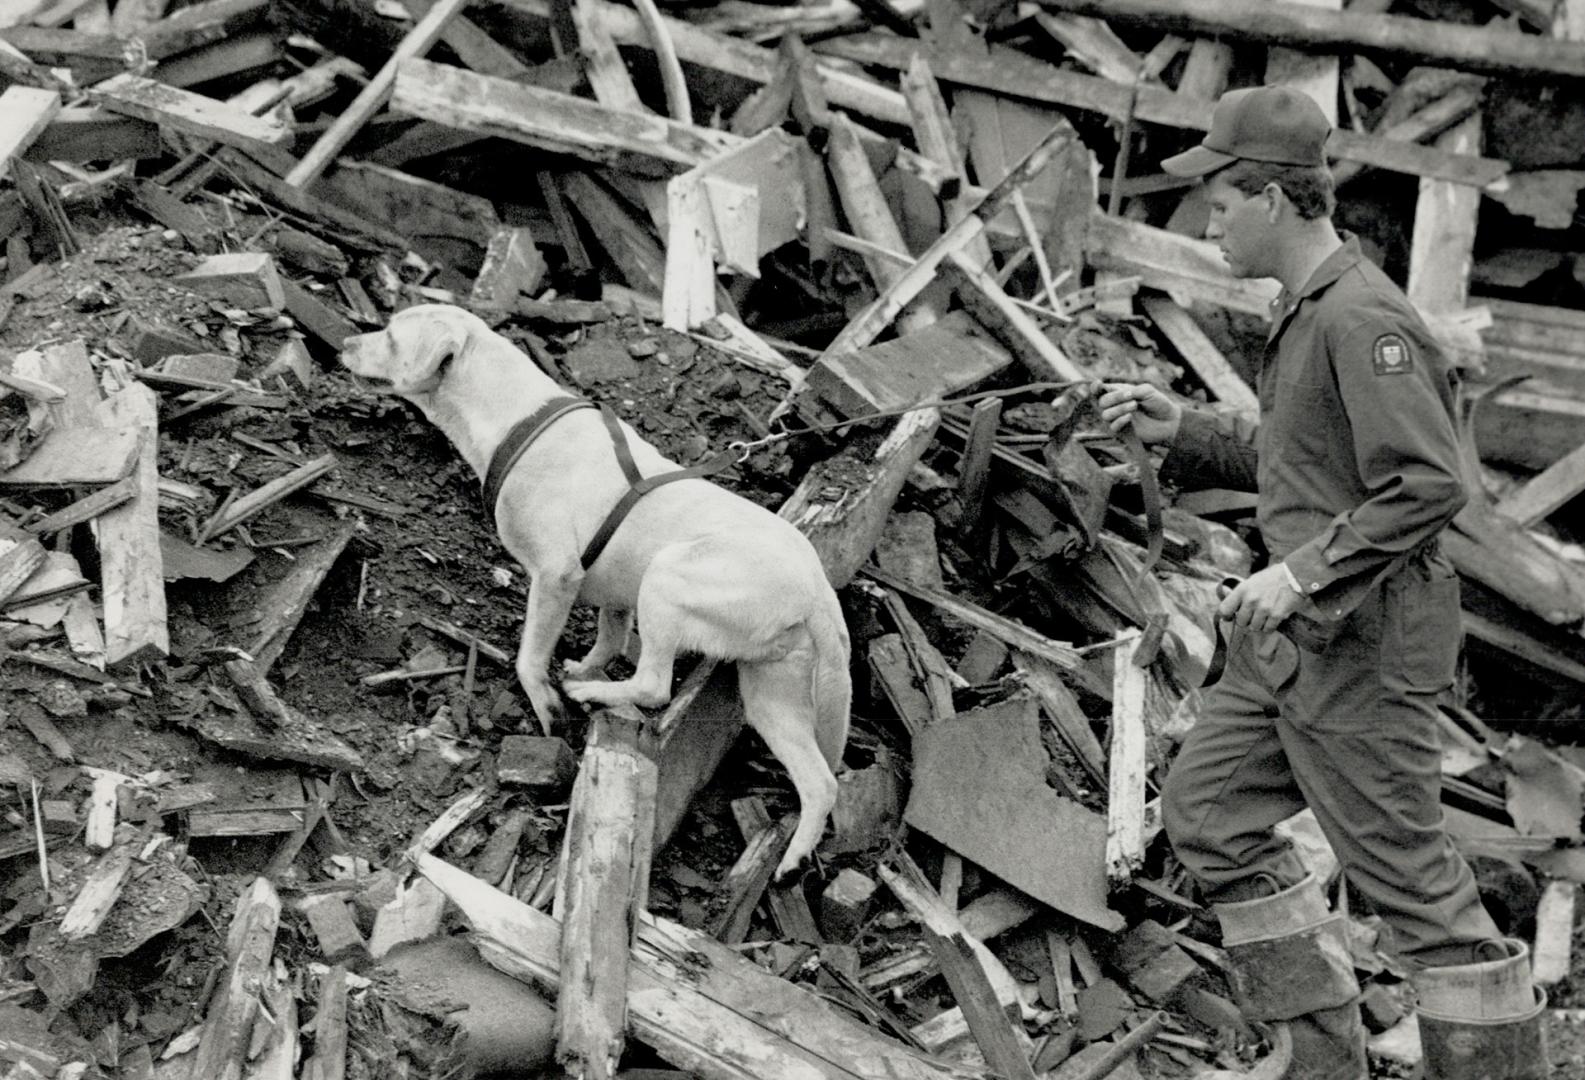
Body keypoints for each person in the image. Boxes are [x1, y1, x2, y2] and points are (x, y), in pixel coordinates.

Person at [1099, 86, 1548, 1080]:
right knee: (1207, 814)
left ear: (1272, 198)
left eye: (1216, 199)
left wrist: (1300, 574)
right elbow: (1314, 461)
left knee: (1417, 895)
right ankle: (1319, 1058)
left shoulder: (1363, 320)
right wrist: (1190, 432)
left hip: (1364, 647)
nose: (1204, 220)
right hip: (1293, 641)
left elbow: (1431, 483)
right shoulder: (1305, 310)